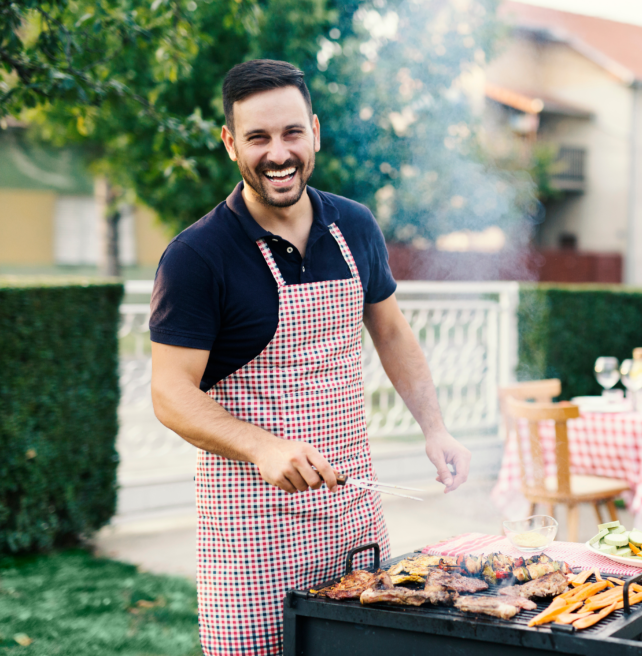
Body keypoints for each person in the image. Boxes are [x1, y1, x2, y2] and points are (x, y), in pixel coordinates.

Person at [149, 59, 471, 655]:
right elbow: (170, 393)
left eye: (292, 132)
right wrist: (262, 447)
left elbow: (393, 332)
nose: (279, 154)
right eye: (258, 137)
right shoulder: (197, 256)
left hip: (351, 512)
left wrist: (436, 428)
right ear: (230, 143)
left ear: (315, 131)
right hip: (250, 532)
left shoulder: (354, 224)